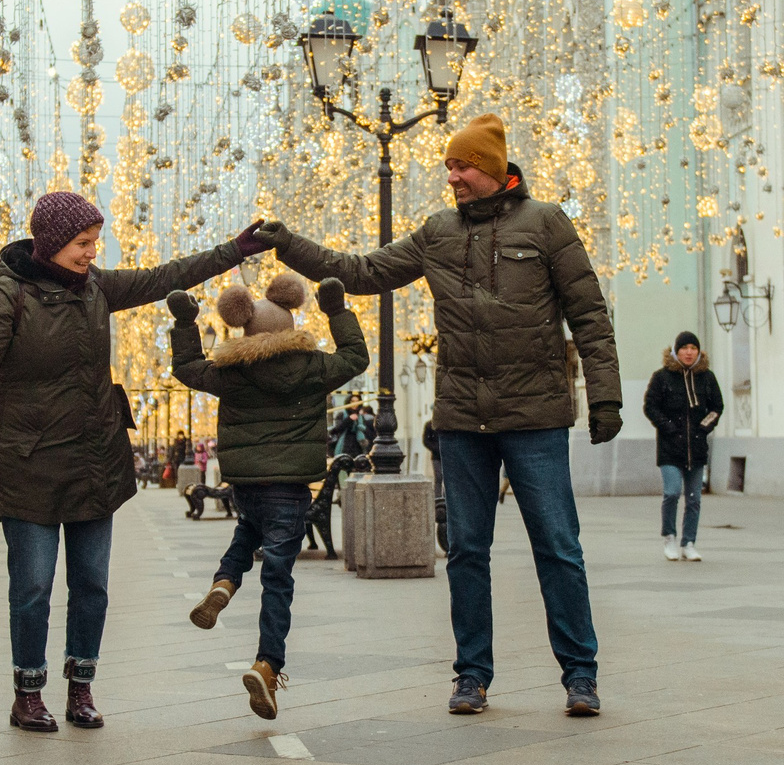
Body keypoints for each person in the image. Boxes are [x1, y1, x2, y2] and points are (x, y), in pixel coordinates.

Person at [257, 112, 621, 718]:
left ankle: (580, 675)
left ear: (493, 168)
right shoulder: (438, 233)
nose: (452, 176)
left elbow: (589, 314)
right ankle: (472, 676)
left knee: (558, 546)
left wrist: (604, 396)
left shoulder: (548, 223)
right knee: (466, 549)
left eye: (463, 166)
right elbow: (362, 272)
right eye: (449, 166)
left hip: (535, 416)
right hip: (463, 420)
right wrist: (289, 243)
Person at [0, 191, 270, 732]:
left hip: (94, 459)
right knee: (33, 586)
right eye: (82, 244)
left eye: (93, 243)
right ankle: (28, 693)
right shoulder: (9, 297)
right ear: (53, 243)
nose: (90, 253)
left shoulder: (97, 288)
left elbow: (163, 276)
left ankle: (80, 688)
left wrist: (232, 251)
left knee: (92, 585)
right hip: (30, 461)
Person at [169, 272, 368, 720]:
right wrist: (337, 311)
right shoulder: (314, 367)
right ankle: (267, 664)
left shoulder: (230, 372)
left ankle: (224, 584)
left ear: (243, 326)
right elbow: (356, 357)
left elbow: (185, 368)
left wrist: (186, 325)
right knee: (278, 578)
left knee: (246, 529)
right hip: (291, 488)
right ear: (291, 321)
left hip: (246, 486)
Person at [643, 332, 722, 562]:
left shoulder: (707, 377)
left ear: (699, 351)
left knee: (694, 498)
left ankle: (689, 543)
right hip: (670, 448)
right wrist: (668, 427)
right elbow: (650, 406)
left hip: (696, 449)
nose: (689, 352)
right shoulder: (662, 377)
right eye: (684, 348)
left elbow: (717, 407)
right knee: (671, 492)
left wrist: (703, 428)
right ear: (676, 351)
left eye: (693, 348)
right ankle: (669, 537)